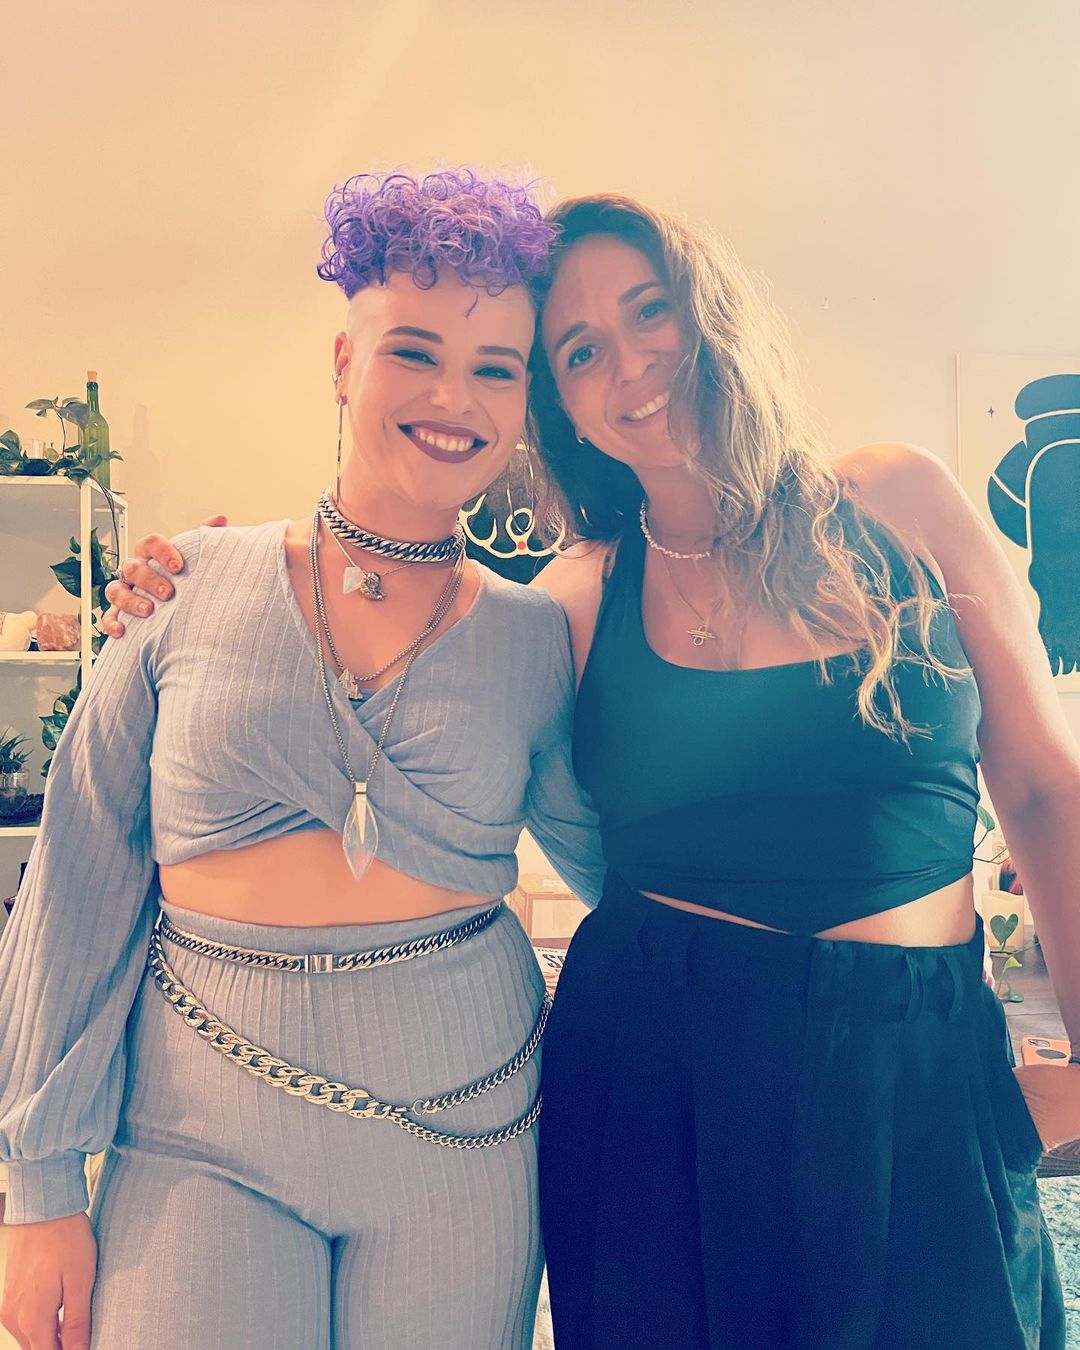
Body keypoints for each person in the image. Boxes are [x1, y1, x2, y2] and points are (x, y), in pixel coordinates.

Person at [103, 193, 1080, 1348]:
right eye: (578, 350)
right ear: (557, 403)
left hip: (917, 1061)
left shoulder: (897, 500)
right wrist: (205, 580)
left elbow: (1044, 791)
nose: (630, 362)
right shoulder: (570, 601)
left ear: (708, 312)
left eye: (649, 310)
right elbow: (386, 675)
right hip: (652, 1075)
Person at [0, 170, 604, 1350]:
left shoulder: (538, 637)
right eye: (412, 352)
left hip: (467, 1131)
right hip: (197, 1136)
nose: (453, 398)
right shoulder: (186, 585)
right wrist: (37, 1183)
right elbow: (78, 879)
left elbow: (627, 870)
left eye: (496, 369)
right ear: (342, 363)